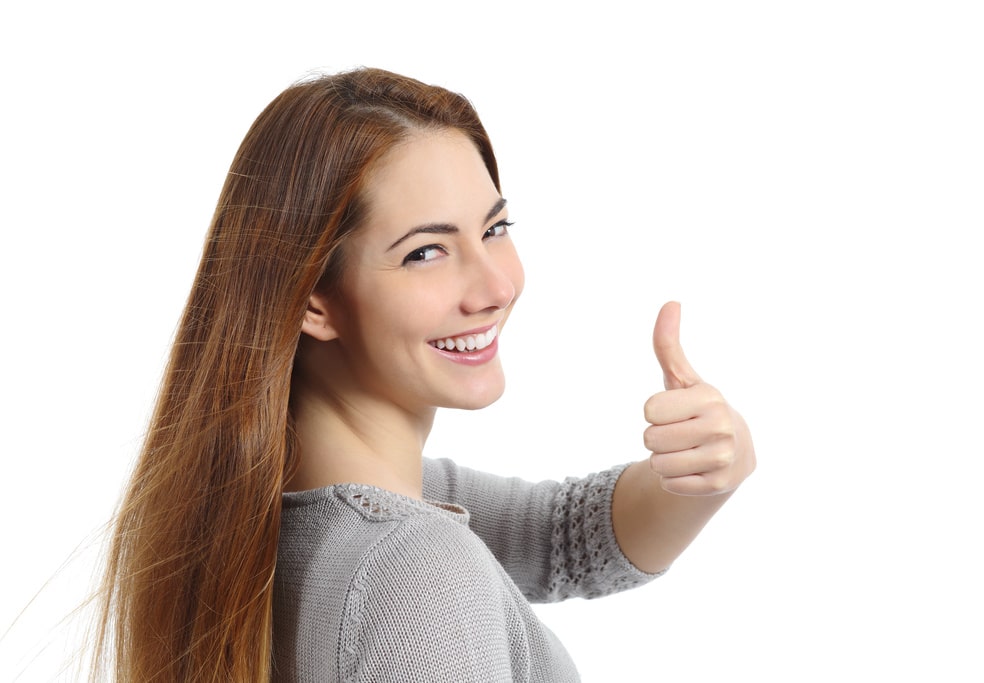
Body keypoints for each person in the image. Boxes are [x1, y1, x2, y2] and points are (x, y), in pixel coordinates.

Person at [91, 67, 755, 682]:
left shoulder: (275, 503)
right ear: (314, 300)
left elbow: (560, 536)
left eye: (496, 228)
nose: (494, 285)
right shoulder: (418, 564)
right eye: (427, 252)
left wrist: (701, 471)